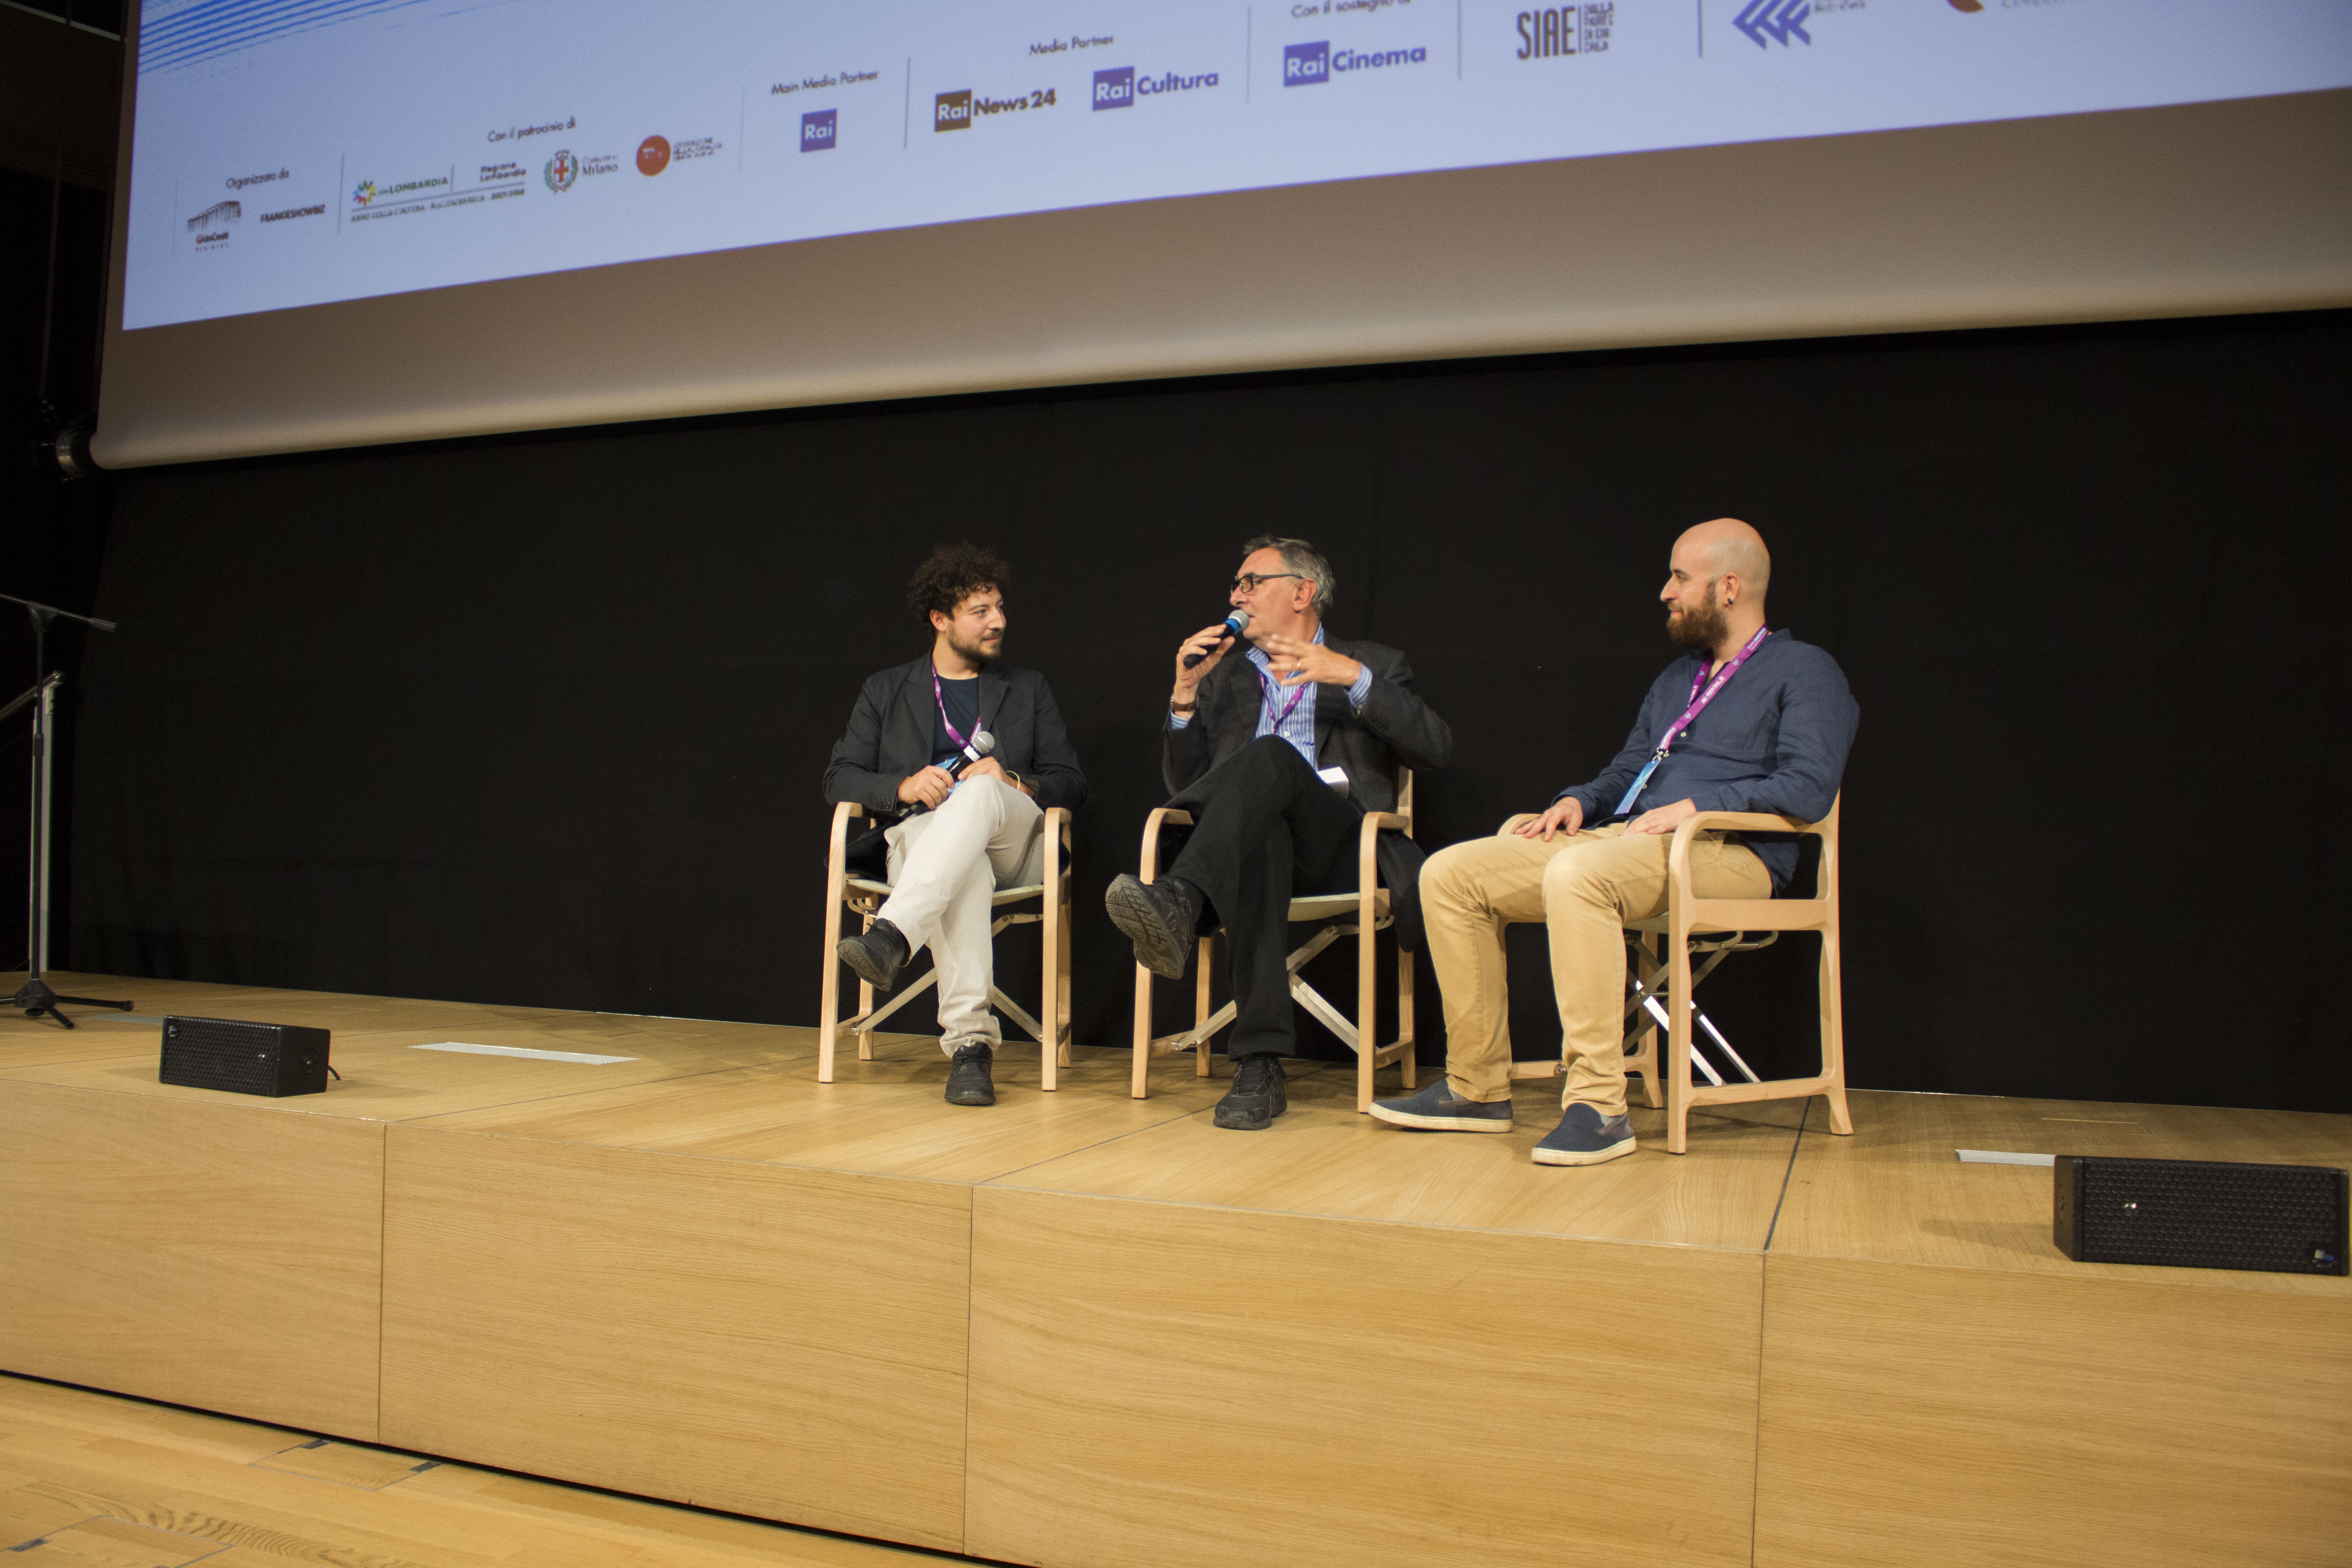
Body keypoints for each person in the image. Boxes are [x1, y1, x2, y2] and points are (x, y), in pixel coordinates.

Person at [1372, 518, 1857, 1166]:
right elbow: (1629, 769)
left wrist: (1698, 806)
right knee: (1452, 873)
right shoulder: (1677, 679)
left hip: (1732, 854)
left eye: (1681, 577)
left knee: (1582, 874)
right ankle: (1477, 1088)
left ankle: (1599, 1106)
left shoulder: (1804, 670)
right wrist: (1577, 801)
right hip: (1627, 843)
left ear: (1731, 587)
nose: (1666, 591)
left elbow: (1808, 786)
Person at [1103, 536, 1452, 1131]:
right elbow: (1185, 788)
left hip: (1346, 845)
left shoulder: (1373, 661)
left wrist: (1354, 679)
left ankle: (1182, 900)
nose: (1236, 596)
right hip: (1254, 847)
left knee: (1271, 756)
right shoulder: (1224, 679)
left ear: (1302, 590)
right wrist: (1184, 697)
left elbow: (1436, 748)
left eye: (1250, 583)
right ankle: (1259, 1063)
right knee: (1261, 839)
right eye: (1236, 586)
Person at [824, 544, 1087, 1107]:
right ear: (940, 620)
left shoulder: (1028, 688)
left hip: (1012, 841)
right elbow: (839, 778)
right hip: (924, 842)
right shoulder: (886, 689)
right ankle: (971, 1048)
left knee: (982, 789)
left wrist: (1016, 782)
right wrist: (901, 787)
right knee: (960, 869)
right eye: (980, 611)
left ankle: (893, 935)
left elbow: (1071, 781)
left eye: (999, 608)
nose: (998, 621)